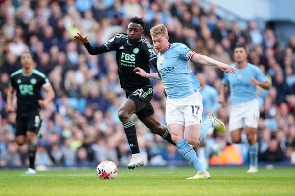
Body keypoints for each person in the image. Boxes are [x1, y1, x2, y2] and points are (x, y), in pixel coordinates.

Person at [134, 23, 235, 179]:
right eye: (154, 41)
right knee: (176, 137)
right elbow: (164, 75)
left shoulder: (179, 49)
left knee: (193, 139)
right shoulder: (159, 57)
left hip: (189, 98)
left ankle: (210, 121)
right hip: (173, 102)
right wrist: (147, 75)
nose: (156, 44)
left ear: (167, 38)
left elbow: (198, 58)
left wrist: (218, 63)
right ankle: (201, 171)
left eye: (159, 40)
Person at [74, 16, 175, 169]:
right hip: (131, 93)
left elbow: (161, 71)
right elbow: (95, 51)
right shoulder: (119, 40)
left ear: (141, 32)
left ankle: (136, 156)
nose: (132, 33)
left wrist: (168, 88)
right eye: (130, 29)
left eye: (136, 30)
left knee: (122, 114)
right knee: (157, 128)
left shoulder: (145, 47)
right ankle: (186, 147)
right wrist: (86, 43)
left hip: (144, 90)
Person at [218, 43, 270, 173]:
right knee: (235, 139)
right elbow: (224, 84)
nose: (239, 54)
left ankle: (253, 165)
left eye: (241, 51)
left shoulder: (254, 70)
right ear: (234, 54)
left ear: (246, 54)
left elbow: (267, 86)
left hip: (250, 104)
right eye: (236, 52)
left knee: (250, 134)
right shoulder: (229, 69)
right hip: (235, 106)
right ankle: (250, 145)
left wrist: (257, 83)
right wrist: (222, 96)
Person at [6, 51, 55, 174]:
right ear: (21, 61)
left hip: (33, 112)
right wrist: (9, 105)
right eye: (24, 58)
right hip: (20, 112)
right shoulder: (15, 76)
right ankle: (35, 132)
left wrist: (46, 101)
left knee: (30, 136)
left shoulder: (39, 76)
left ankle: (31, 167)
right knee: (20, 141)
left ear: (32, 60)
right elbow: (10, 92)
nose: (26, 60)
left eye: (28, 58)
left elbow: (51, 92)